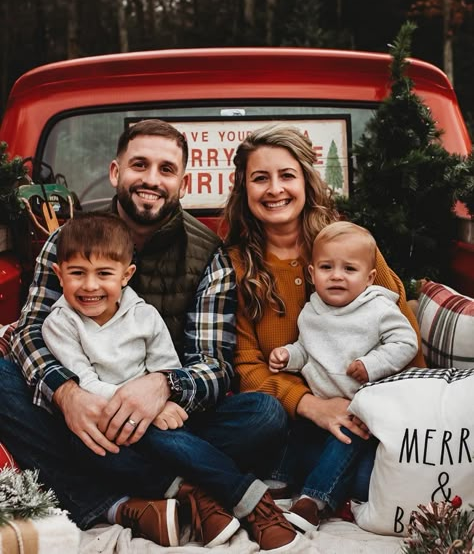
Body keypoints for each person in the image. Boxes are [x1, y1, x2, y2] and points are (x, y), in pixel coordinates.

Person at [1, 119, 294, 550]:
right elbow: (29, 332)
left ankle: (124, 501)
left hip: (169, 418)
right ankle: (194, 489)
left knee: (264, 415)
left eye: (166, 169)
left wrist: (162, 388)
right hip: (81, 412)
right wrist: (68, 396)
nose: (151, 180)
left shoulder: (209, 254)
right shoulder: (67, 240)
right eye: (140, 165)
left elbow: (214, 366)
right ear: (117, 172)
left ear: (183, 181)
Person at [41, 210, 298, 550]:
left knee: (262, 410)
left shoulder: (145, 316)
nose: (90, 285)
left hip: (163, 421)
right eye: (77, 273)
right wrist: (144, 412)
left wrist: (162, 402)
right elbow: (84, 382)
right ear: (59, 274)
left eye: (104, 273)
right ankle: (244, 499)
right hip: (106, 424)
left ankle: (186, 489)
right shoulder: (59, 323)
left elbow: (168, 368)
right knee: (88, 442)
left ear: (126, 275)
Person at [220, 124, 425, 532]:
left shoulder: (346, 245)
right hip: (289, 423)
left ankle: (318, 493)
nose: (275, 188)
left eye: (287, 175)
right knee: (269, 423)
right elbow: (245, 365)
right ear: (244, 189)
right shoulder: (236, 266)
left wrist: (396, 408)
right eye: (260, 178)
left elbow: (402, 330)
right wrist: (312, 406)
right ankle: (297, 485)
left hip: (363, 414)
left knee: (371, 478)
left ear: (306, 181)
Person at [268, 220, 418, 530]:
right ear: (312, 274)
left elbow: (406, 342)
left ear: (369, 277)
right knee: (295, 429)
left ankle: (315, 500)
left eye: (349, 269)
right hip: (320, 405)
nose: (337, 276)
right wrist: (288, 356)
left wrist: (372, 363)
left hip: (359, 412)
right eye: (326, 267)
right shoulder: (312, 310)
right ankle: (280, 483)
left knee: (345, 441)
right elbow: (306, 349)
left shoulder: (377, 309)